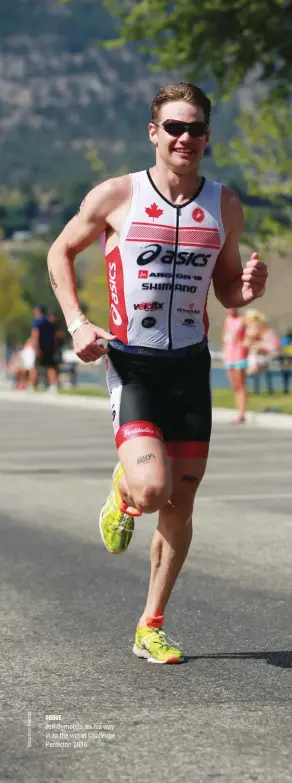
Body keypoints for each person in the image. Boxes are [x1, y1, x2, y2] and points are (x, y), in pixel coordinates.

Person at [47, 82, 268, 664]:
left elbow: (225, 286)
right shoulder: (118, 196)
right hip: (134, 364)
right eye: (174, 127)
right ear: (154, 133)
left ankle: (151, 623)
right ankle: (124, 493)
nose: (185, 138)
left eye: (195, 128)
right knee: (152, 489)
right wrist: (76, 323)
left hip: (191, 368)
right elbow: (58, 252)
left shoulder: (224, 204)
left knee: (181, 505)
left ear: (208, 136)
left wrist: (243, 292)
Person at [222, 308, 248, 423]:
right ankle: (238, 411)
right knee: (235, 386)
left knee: (240, 385)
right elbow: (225, 335)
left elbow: (250, 335)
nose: (230, 310)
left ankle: (242, 413)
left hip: (239, 355)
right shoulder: (227, 320)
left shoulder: (243, 320)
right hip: (229, 355)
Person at [30, 305, 59, 392]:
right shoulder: (49, 323)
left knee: (35, 367)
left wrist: (36, 348)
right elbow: (54, 336)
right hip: (49, 348)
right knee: (50, 366)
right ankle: (53, 386)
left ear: (38, 312)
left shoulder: (37, 322)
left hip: (40, 348)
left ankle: (31, 386)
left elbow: (35, 334)